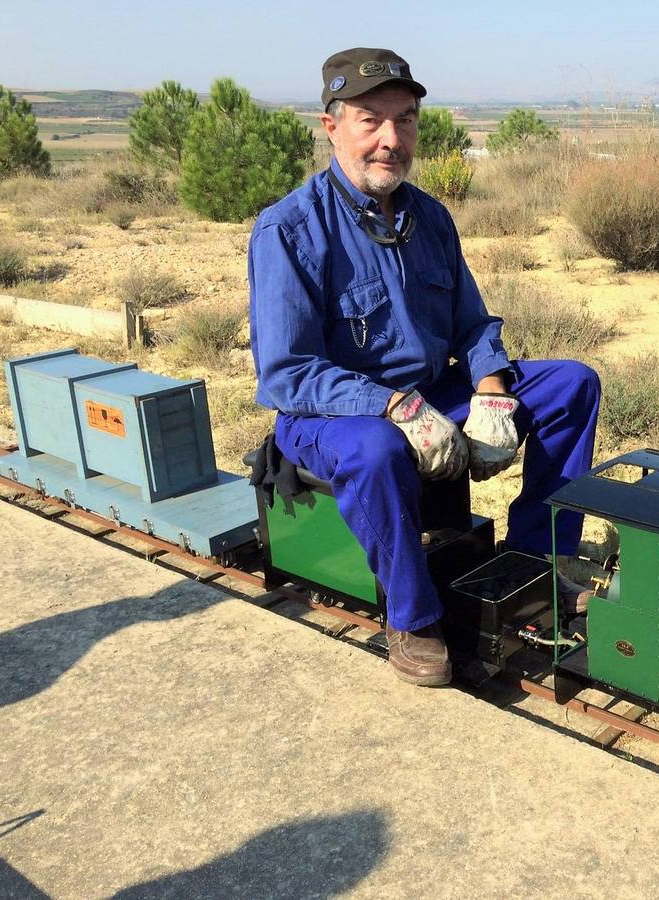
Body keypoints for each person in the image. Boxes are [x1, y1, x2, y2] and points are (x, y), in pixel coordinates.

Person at [248, 48, 600, 687]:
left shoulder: (430, 218)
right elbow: (286, 373)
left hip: (432, 392)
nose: (390, 140)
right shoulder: (290, 230)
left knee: (572, 384)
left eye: (405, 120)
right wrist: (395, 406)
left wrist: (491, 389)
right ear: (332, 127)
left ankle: (536, 562)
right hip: (331, 413)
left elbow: (473, 325)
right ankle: (411, 618)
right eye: (369, 120)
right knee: (379, 449)